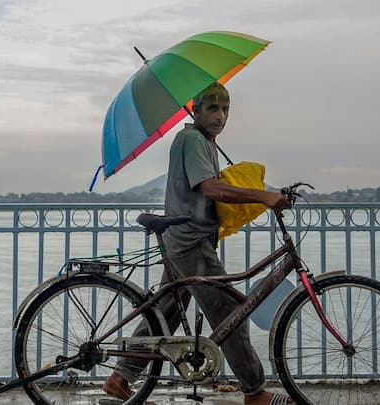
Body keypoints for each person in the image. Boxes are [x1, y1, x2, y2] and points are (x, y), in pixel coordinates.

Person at [103, 82, 292, 405]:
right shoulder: (191, 139)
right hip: (190, 243)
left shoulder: (203, 142)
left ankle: (120, 378)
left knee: (165, 315)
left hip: (183, 239)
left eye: (225, 109)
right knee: (230, 313)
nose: (220, 116)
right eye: (213, 108)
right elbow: (211, 189)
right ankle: (255, 392)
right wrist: (264, 196)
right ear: (195, 109)